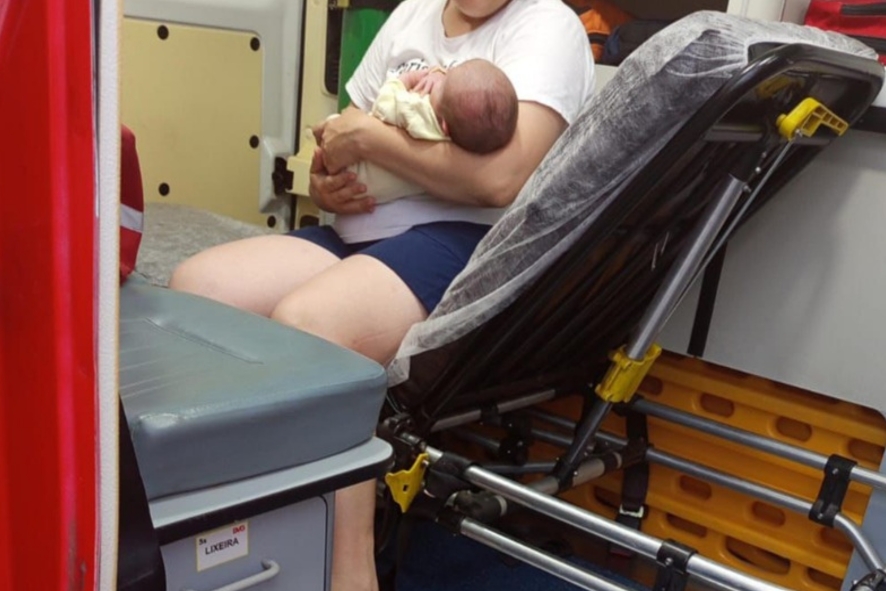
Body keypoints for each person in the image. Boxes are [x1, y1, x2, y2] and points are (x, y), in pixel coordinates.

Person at [169, 0, 595, 587]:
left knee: (313, 325)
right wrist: (325, 182)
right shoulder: (413, 13)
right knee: (196, 293)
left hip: (460, 242)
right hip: (359, 230)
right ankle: (233, 532)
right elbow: (342, 134)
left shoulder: (547, 25)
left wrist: (371, 138)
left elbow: (501, 181)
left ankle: (350, 571)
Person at [345, 58, 520, 204]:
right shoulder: (465, 139)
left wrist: (405, 80)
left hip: (359, 176)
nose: (440, 79)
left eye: (442, 85)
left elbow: (383, 105)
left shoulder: (421, 114)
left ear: (444, 127)